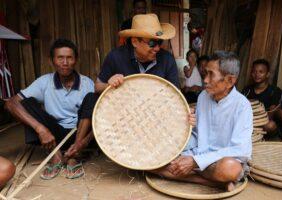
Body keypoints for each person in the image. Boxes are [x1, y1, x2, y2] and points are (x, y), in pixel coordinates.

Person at [64, 14, 189, 159]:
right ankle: (79, 145)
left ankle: (81, 145)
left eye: (159, 42)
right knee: (91, 98)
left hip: (154, 118)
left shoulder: (166, 59)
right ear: (135, 42)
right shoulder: (116, 56)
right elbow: (97, 87)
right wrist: (109, 84)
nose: (157, 48)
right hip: (123, 117)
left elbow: (175, 97)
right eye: (152, 43)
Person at [151, 51, 253, 191]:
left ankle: (197, 174)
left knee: (230, 168)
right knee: (152, 161)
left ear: (230, 81)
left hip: (220, 161)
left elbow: (240, 149)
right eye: (206, 73)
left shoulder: (242, 106)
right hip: (199, 154)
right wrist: (179, 141)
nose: (205, 80)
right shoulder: (203, 97)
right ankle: (211, 182)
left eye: (211, 74)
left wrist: (194, 162)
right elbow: (198, 135)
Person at [5, 39, 94, 180]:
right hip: (53, 135)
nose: (65, 62)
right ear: (51, 61)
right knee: (26, 103)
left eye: (69, 58)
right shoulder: (44, 82)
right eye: (60, 58)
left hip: (79, 133)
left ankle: (74, 156)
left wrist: (84, 142)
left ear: (76, 60)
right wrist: (41, 129)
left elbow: (99, 118)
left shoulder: (87, 83)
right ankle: (55, 155)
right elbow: (11, 103)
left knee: (92, 98)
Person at [242, 59, 282, 137]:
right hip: (247, 121)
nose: (257, 74)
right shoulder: (247, 90)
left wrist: (255, 120)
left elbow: (270, 114)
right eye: (254, 71)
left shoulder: (274, 91)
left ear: (267, 74)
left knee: (271, 125)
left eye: (261, 72)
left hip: (263, 123)